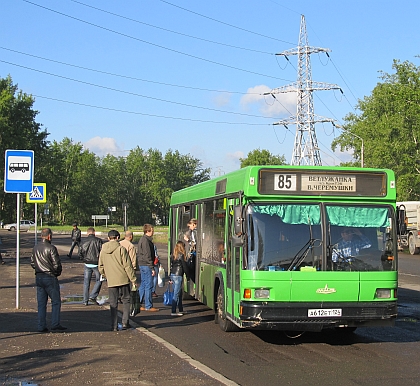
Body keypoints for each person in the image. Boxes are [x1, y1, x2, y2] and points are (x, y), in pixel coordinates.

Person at [98, 230, 138, 331]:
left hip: (111, 280)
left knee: (113, 303)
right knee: (126, 300)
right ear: (118, 238)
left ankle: (114, 325)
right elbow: (127, 266)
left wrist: (106, 275)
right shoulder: (121, 249)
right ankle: (125, 322)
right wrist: (133, 279)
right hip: (123, 279)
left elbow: (100, 266)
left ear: (108, 238)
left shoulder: (103, 249)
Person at [30, 228, 67, 333]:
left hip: (39, 276)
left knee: (41, 303)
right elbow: (57, 264)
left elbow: (32, 263)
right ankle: (55, 323)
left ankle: (41, 325)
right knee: (55, 301)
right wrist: (56, 273)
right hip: (50, 277)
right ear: (49, 236)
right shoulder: (51, 248)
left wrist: (38, 269)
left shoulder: (35, 248)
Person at [78, 227, 103, 306]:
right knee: (99, 280)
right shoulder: (98, 241)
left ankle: (85, 301)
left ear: (87, 233)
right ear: (94, 233)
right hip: (96, 264)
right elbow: (102, 252)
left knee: (86, 282)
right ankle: (93, 295)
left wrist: (84, 260)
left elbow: (80, 252)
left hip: (87, 263)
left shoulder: (83, 241)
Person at [137, 224, 159, 312]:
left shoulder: (143, 239)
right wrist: (152, 267)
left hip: (142, 264)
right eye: (152, 230)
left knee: (143, 284)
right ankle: (148, 306)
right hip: (146, 265)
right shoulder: (146, 241)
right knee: (149, 285)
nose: (153, 232)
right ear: (147, 231)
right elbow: (147, 255)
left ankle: (138, 303)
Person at [169, 241, 190, 317]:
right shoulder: (181, 256)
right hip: (178, 275)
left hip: (173, 275)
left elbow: (171, 266)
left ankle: (181, 309)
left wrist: (170, 277)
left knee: (179, 293)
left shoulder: (173, 255)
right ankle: (173, 311)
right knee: (176, 294)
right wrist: (188, 275)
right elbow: (184, 267)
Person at [183, 218, 197, 282]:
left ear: (194, 224)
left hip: (195, 254)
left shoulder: (194, 232)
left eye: (190, 226)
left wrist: (187, 240)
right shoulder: (194, 231)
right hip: (195, 253)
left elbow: (195, 243)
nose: (189, 228)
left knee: (190, 268)